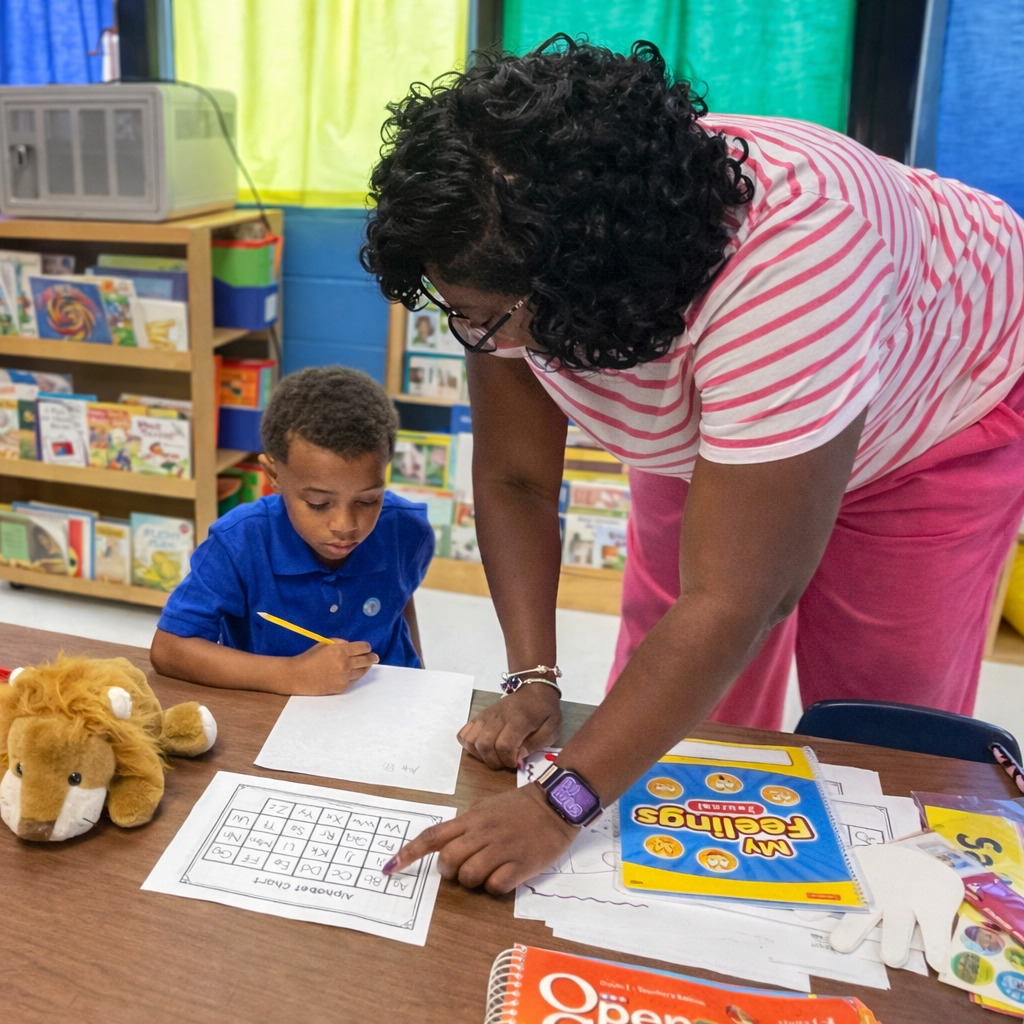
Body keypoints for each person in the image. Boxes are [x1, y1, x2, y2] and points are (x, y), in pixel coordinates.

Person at [362, 37, 1024, 894]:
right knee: (678, 697)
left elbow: (743, 598)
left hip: (935, 412)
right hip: (728, 386)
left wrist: (559, 804)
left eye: (483, 319)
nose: (473, 338)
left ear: (585, 293)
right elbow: (515, 480)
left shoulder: (797, 257)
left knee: (879, 728)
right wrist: (534, 680)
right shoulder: (519, 238)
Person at [150, 367, 433, 695]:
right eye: (317, 503)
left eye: (368, 499)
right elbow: (169, 649)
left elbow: (399, 594)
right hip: (274, 715)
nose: (345, 526)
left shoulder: (408, 530)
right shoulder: (238, 542)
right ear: (273, 475)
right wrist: (291, 674)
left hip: (383, 703)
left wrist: (421, 681)